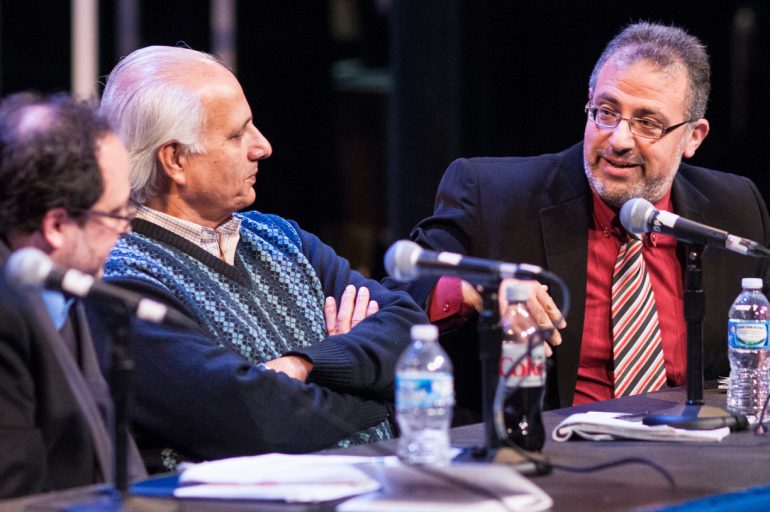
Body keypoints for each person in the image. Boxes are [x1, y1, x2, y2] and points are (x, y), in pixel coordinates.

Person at [402, 22, 770, 412]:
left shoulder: (735, 207)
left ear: (693, 136)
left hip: (696, 455)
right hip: (554, 453)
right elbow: (400, 294)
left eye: (648, 123)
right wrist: (478, 291)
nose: (619, 140)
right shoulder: (493, 194)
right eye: (606, 112)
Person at [98, 45, 427, 470]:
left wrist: (306, 363)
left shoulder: (280, 236)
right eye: (237, 135)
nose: (263, 147)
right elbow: (257, 423)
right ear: (176, 160)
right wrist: (376, 391)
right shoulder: (122, 278)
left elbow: (410, 330)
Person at [0, 93, 146, 498]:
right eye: (117, 213)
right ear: (57, 225)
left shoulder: (62, 280)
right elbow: (14, 495)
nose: (126, 228)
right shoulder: (7, 314)